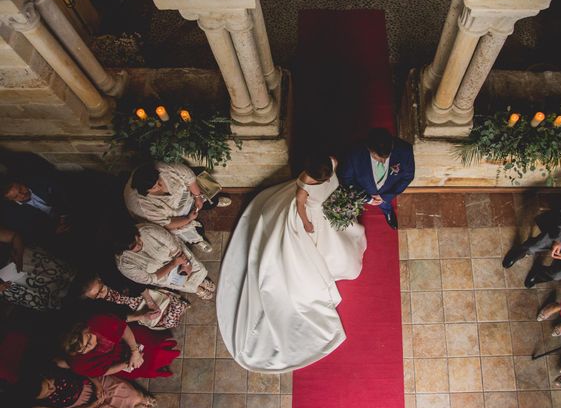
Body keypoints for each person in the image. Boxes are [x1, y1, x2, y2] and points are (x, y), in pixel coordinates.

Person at [216, 154, 366, 372]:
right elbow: (301, 207)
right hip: (310, 217)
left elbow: (335, 168)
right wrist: (306, 225)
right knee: (309, 252)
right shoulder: (304, 186)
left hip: (326, 208)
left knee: (338, 242)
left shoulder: (330, 162)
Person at [123, 162, 231, 253]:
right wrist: (188, 219)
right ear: (145, 192)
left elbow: (190, 178)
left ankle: (214, 202)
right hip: (173, 216)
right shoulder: (142, 206)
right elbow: (167, 224)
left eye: (159, 181)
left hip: (188, 196)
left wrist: (197, 197)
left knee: (208, 190)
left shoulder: (164, 168)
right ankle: (197, 240)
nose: (159, 186)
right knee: (189, 230)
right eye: (154, 187)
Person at [113, 223, 215, 300]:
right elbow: (150, 279)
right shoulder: (124, 264)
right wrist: (173, 265)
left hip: (176, 255)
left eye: (137, 240)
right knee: (185, 284)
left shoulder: (146, 230)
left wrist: (185, 263)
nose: (138, 245)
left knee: (196, 269)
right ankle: (197, 289)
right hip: (162, 275)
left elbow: (172, 244)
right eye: (132, 247)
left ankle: (201, 279)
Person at [62, 313, 180, 380]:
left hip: (127, 341)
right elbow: (104, 371)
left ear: (86, 329)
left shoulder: (97, 321)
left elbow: (123, 328)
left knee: (155, 348)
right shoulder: (77, 364)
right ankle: (159, 370)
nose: (88, 348)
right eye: (83, 350)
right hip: (118, 362)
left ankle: (168, 352)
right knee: (145, 368)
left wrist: (134, 351)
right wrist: (128, 363)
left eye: (88, 342)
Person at [339, 127, 414, 229]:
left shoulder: (405, 150)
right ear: (370, 149)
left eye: (387, 156)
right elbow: (346, 179)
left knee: (385, 204)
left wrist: (385, 197)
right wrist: (367, 199)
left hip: (387, 191)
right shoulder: (354, 153)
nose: (383, 161)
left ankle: (388, 212)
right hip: (365, 190)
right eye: (378, 157)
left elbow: (408, 176)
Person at [28, 365, 155, 408]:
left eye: (49, 384)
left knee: (130, 394)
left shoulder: (54, 365)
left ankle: (138, 399)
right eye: (49, 392)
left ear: (42, 377)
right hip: (84, 405)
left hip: (91, 383)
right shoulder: (38, 407)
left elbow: (80, 366)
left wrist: (97, 385)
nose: (53, 388)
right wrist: (91, 405)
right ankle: (132, 406)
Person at [0, 226, 75, 311]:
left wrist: (19, 255)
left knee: (67, 275)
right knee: (52, 300)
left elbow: (14, 236)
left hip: (20, 259)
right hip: (10, 285)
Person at [79, 274, 189, 330]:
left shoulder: (114, 279)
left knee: (173, 305)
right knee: (165, 320)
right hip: (138, 311)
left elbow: (137, 286)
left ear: (100, 280)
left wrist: (150, 302)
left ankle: (178, 306)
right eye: (96, 296)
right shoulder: (99, 306)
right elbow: (121, 318)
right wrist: (142, 316)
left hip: (145, 298)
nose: (101, 295)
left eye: (101, 290)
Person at [0, 174, 73, 248]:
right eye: (16, 196)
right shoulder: (14, 215)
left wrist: (64, 216)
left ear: (21, 183)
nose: (22, 195)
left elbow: (62, 192)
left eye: (21, 189)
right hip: (55, 231)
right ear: (11, 200)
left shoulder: (39, 181)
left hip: (70, 211)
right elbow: (33, 232)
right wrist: (54, 231)